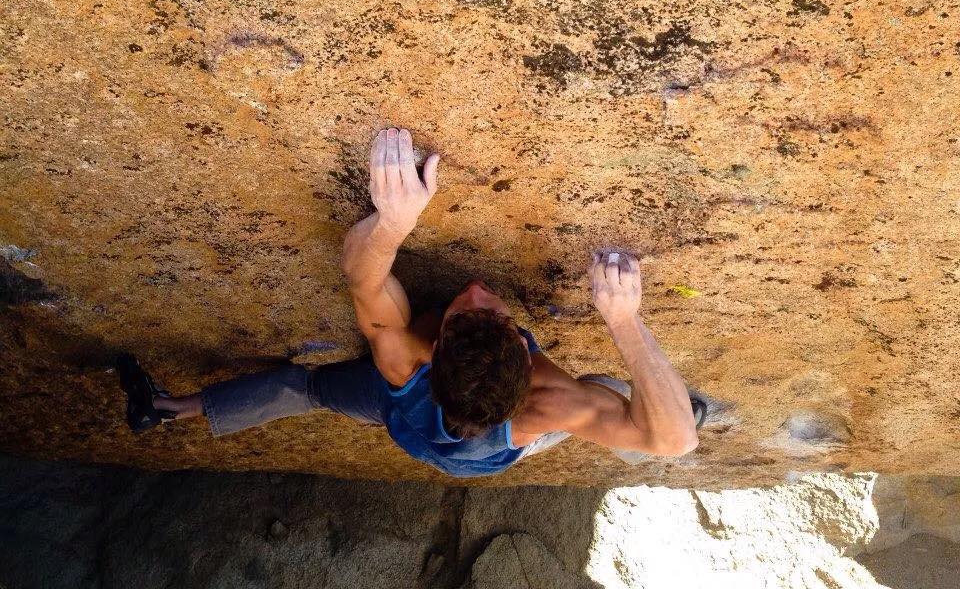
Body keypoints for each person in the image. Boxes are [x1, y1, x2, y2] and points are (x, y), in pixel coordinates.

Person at [117, 128, 704, 477]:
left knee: (307, 387)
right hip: (427, 433)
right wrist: (624, 322)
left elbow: (363, 278)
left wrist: (392, 225)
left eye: (476, 312)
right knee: (622, 394)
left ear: (435, 354)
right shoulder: (560, 405)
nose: (475, 291)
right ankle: (163, 409)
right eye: (488, 311)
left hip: (423, 431)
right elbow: (674, 441)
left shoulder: (403, 361)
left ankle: (172, 408)